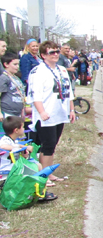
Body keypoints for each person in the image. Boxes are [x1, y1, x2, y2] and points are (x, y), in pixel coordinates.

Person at [27, 40, 75, 174]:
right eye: (51, 52)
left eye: (57, 51)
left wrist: (71, 110)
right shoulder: (38, 72)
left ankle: (48, 173)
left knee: (53, 145)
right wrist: (41, 112)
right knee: (47, 145)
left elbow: (68, 92)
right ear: (43, 55)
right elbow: (35, 95)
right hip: (46, 115)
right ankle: (44, 175)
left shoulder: (62, 70)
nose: (55, 54)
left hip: (59, 113)